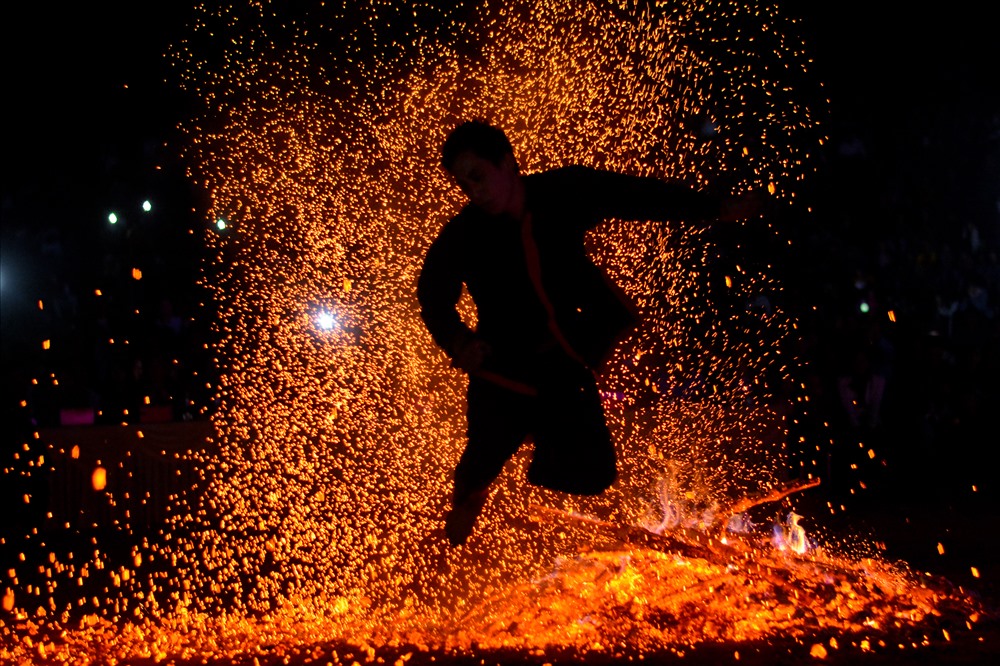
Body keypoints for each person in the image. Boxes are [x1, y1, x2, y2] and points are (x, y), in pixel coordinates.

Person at [417, 120, 761, 545]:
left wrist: (713, 207)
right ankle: (477, 487)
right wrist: (458, 340)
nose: (473, 191)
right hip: (501, 369)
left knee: (595, 474)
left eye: (477, 176)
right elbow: (432, 293)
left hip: (562, 360)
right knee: (479, 466)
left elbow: (636, 197)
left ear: (506, 162)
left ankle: (537, 437)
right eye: (463, 184)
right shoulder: (464, 235)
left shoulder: (563, 193)